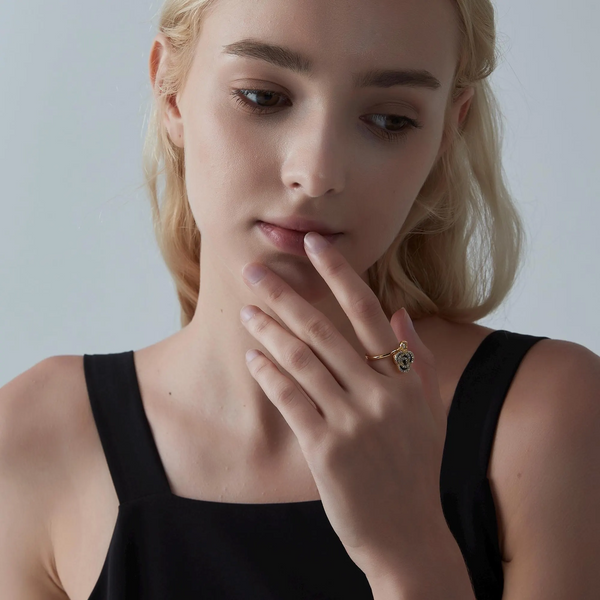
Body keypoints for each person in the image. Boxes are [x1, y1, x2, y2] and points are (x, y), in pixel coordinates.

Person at [1, 0, 599, 598]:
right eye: (263, 97)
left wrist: (411, 549)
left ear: (448, 129)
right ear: (170, 91)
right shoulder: (33, 437)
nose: (315, 174)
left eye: (389, 119)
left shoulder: (551, 416)